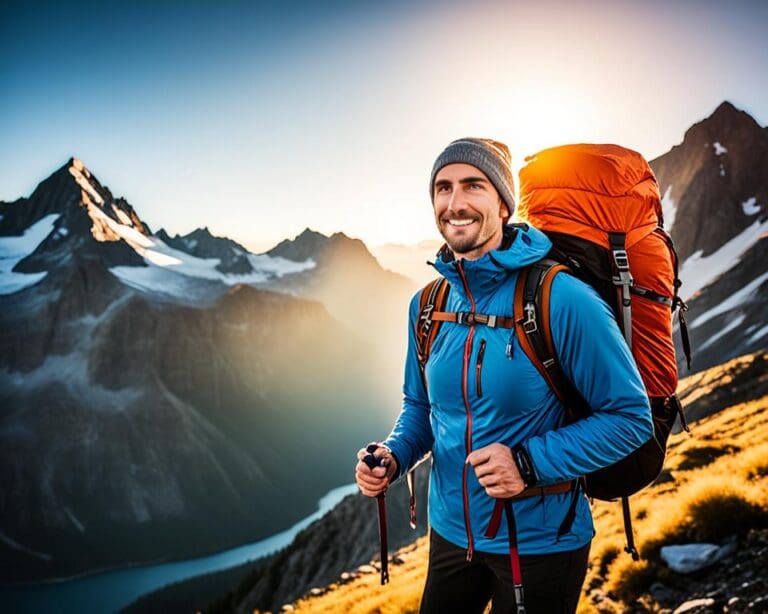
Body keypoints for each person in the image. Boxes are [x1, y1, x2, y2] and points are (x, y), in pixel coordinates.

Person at [355, 137, 653, 614]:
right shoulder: (428, 305)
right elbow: (421, 407)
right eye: (443, 187)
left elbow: (631, 419)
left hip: (543, 544)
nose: (455, 203)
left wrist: (527, 464)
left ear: (503, 203)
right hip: (451, 533)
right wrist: (394, 456)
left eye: (474, 185)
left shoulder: (561, 298)